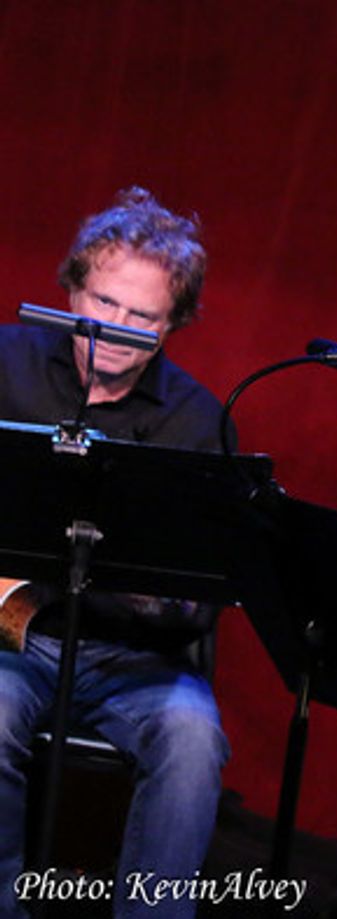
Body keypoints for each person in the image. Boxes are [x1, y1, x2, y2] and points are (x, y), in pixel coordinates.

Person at [0, 188, 229, 919]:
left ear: (173, 326)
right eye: (103, 303)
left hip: (135, 658)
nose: (115, 330)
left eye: (143, 317)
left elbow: (195, 605)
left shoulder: (198, 421)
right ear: (70, 288)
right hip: (14, 639)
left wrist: (145, 584)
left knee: (194, 740)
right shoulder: (8, 362)